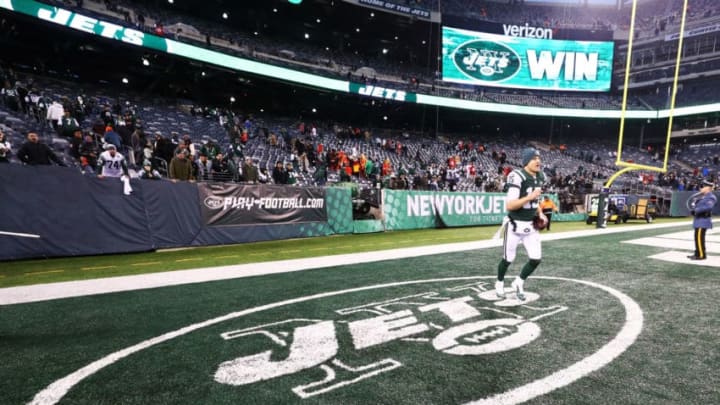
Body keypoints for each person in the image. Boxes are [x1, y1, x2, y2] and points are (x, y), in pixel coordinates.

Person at [496, 147, 546, 301]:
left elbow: (535, 200)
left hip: (530, 226)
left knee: (536, 258)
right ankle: (499, 282)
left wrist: (540, 212)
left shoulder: (541, 177)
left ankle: (519, 282)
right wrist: (530, 197)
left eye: (539, 158)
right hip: (514, 226)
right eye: (534, 158)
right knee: (508, 259)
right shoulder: (516, 176)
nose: (538, 161)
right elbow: (510, 205)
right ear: (526, 161)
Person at [688, 179, 717, 260]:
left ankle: (701, 255)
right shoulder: (701, 197)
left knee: (700, 238)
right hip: (698, 220)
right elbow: (696, 207)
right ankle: (697, 253)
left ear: (708, 188)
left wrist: (696, 210)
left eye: (703, 186)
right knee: (697, 237)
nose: (701, 188)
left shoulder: (711, 197)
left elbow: (708, 207)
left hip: (703, 220)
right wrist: (694, 206)